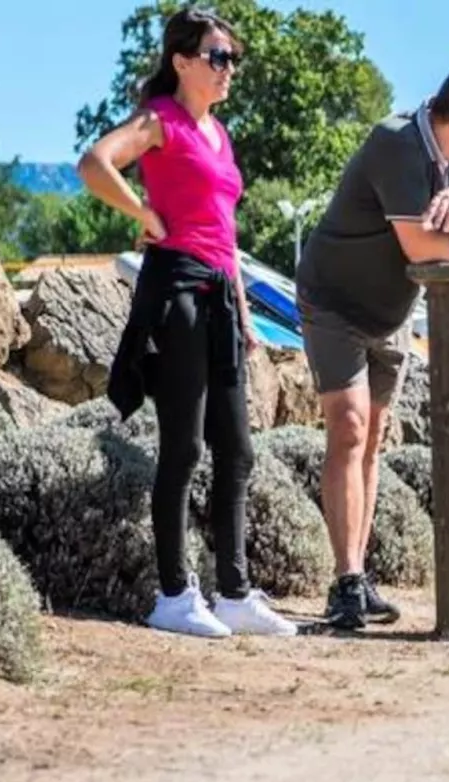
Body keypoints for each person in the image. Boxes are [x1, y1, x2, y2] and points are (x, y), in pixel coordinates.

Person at [83, 6, 295, 639]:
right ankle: (173, 596)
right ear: (182, 61)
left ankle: (233, 593)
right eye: (218, 57)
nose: (229, 69)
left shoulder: (219, 135)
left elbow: (224, 235)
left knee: (237, 449)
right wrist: (142, 214)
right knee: (185, 447)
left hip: (220, 296)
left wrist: (246, 314)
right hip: (174, 288)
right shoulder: (161, 121)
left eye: (233, 59)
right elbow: (95, 163)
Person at [295, 66, 449, 630]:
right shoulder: (395, 142)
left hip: (391, 314)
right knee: (346, 427)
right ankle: (345, 584)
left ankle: (359, 577)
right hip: (334, 301)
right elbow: (424, 247)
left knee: (371, 439)